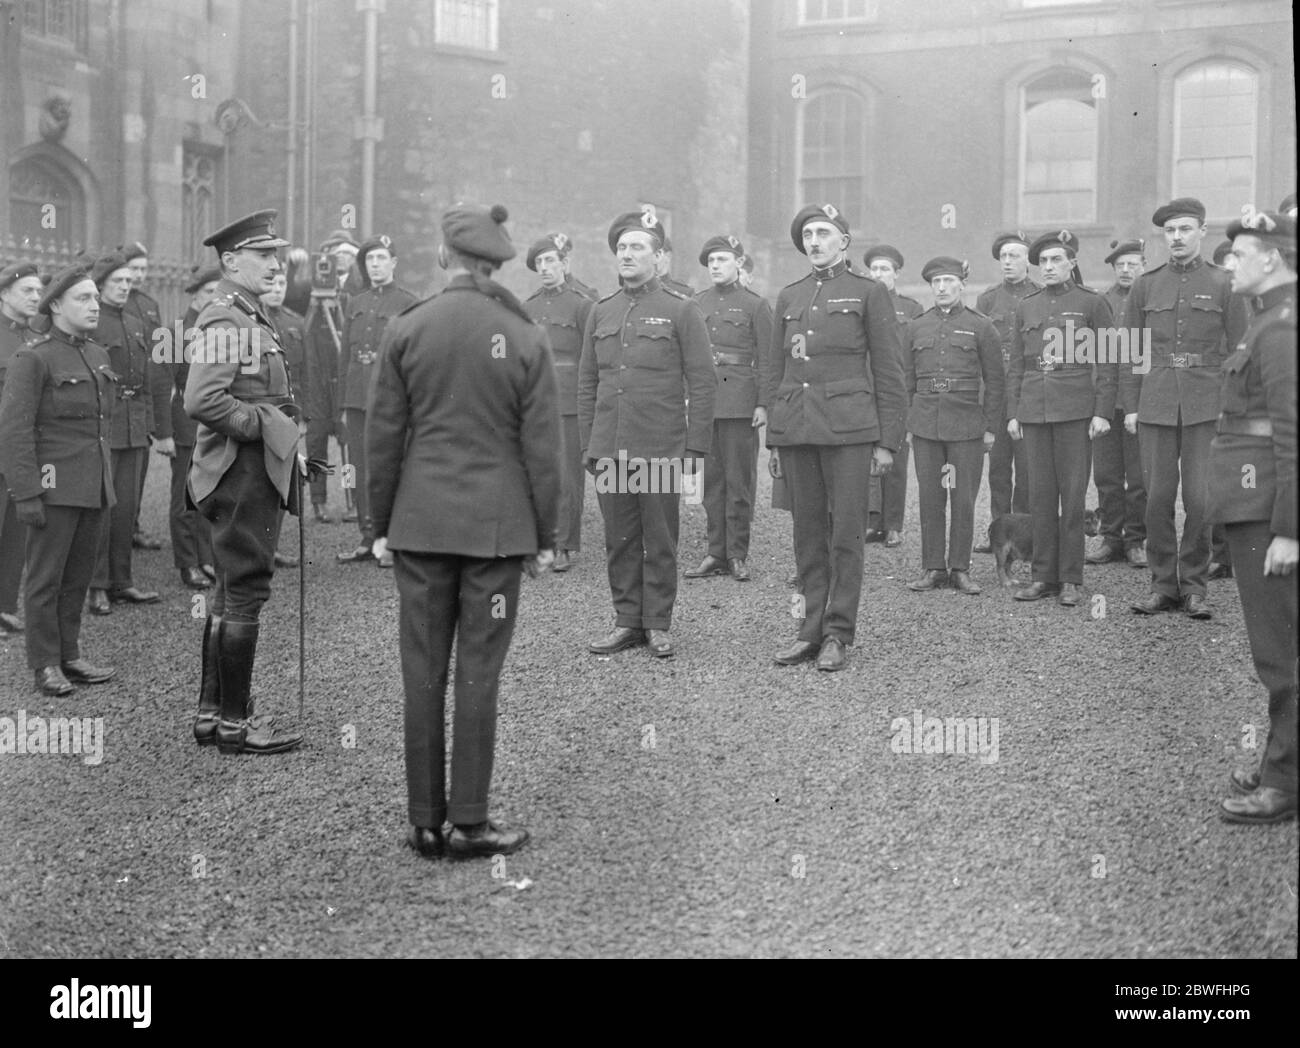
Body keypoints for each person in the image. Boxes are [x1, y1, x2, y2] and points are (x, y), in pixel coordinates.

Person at [367, 202, 560, 859]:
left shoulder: (408, 327)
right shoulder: (526, 335)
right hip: (496, 533)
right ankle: (471, 823)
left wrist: (379, 524)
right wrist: (546, 535)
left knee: (421, 673)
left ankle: (425, 822)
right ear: (498, 262)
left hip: (419, 527)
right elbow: (544, 449)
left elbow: (384, 437)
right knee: (479, 673)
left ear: (447, 257)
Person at [765, 203, 906, 670]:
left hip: (849, 430)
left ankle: (838, 633)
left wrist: (888, 442)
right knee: (807, 533)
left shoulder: (868, 293)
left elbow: (889, 371)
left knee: (846, 533)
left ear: (844, 240)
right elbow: (776, 370)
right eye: (808, 234)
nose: (815, 241)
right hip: (799, 430)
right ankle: (809, 629)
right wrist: (775, 437)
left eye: (824, 233)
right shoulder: (790, 296)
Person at [184, 209, 303, 755]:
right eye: (263, 254)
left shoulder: (250, 314)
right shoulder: (226, 318)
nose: (275, 263)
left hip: (250, 468)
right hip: (241, 473)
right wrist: (266, 425)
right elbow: (202, 400)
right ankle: (236, 724)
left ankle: (212, 716)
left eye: (276, 254)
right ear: (231, 261)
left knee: (229, 591)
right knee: (246, 592)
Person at [578, 211, 716, 658]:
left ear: (659, 258)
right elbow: (587, 383)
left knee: (658, 538)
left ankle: (657, 623)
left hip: (657, 448)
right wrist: (589, 445)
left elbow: (703, 381)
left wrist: (694, 447)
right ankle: (627, 621)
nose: (628, 254)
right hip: (610, 449)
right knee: (618, 539)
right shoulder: (602, 311)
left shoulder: (681, 309)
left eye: (638, 247)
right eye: (622, 247)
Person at [1121, 198, 1248, 619]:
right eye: (1170, 231)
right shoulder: (1145, 284)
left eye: (1185, 229)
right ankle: (1162, 586)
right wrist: (1131, 405)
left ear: (1202, 232)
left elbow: (1239, 352)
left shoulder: (1225, 283)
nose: (1177, 237)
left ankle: (1194, 586)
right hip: (1156, 402)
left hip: (1206, 405)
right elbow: (1131, 352)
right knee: (1156, 499)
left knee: (1199, 499)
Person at [1209, 209, 1296, 825]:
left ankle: (1285, 782)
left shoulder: (1281, 330)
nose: (1230, 263)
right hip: (1252, 505)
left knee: (1280, 654)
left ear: (1271, 256)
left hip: (1269, 513)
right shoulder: (1264, 322)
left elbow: (1293, 434)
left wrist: (1291, 528)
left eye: (1240, 252)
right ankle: (1280, 761)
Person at [0, 264, 117, 696]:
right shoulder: (33, 358)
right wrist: (26, 492)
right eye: (83, 299)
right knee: (44, 579)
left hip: (93, 487)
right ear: (55, 306)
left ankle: (70, 653)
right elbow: (14, 431)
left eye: (95, 298)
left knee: (77, 577)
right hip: (53, 490)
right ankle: (45, 663)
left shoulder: (98, 355)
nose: (94, 305)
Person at [1006, 231, 1117, 607]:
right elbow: (1017, 365)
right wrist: (1014, 413)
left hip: (1075, 409)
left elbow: (1107, 360)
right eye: (1045, 262)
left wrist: (1102, 411)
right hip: (1035, 411)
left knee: (1071, 498)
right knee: (1039, 497)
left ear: (1072, 263)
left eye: (1057, 260)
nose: (1050, 267)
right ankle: (1043, 576)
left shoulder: (1092, 303)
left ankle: (1070, 578)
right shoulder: (1027, 305)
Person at [902, 256, 1004, 594]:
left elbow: (995, 380)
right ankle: (933, 568)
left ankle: (960, 568)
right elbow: (906, 379)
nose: (942, 288)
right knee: (931, 499)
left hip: (965, 426)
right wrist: (907, 423)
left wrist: (989, 427)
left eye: (949, 282)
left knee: (962, 499)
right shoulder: (916, 326)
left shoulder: (981, 326)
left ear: (962, 284)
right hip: (927, 425)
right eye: (936, 283)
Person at [685, 234, 772, 582]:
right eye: (711, 261)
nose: (716, 266)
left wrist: (764, 403)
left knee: (739, 482)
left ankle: (737, 554)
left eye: (723, 259)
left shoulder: (755, 305)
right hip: (705, 403)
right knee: (711, 483)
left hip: (739, 402)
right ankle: (714, 552)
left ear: (739, 263)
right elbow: (686, 356)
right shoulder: (695, 304)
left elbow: (767, 359)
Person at [86, 253, 167, 614]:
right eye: (116, 282)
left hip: (134, 426)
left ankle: (123, 581)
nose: (123, 286)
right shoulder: (92, 322)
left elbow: (147, 380)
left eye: (126, 281)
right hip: (105, 423)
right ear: (101, 286)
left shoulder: (136, 322)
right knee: (103, 507)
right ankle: (97, 585)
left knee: (127, 509)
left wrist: (149, 424)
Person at [336, 235, 416, 567]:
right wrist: (341, 406)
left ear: (394, 263)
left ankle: (393, 541)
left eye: (382, 258)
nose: (376, 265)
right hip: (357, 400)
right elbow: (344, 359)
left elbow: (414, 360)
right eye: (370, 260)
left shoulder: (408, 303)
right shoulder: (355, 303)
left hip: (390, 402)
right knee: (361, 468)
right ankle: (368, 537)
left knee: (392, 469)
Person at [524, 232, 593, 572]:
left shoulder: (582, 304)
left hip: (569, 401)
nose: (545, 267)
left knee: (568, 477)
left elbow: (591, 359)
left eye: (551, 260)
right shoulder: (529, 306)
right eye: (539, 262)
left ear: (565, 264)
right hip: (538, 399)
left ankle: (565, 544)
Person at [974, 231, 1040, 552]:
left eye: (1015, 255)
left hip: (1028, 393)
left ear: (1028, 259)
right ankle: (999, 534)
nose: (1008, 262)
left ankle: (1025, 535)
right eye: (1003, 257)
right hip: (997, 394)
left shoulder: (1040, 296)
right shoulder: (987, 300)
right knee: (998, 470)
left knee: (1027, 470)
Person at [1087, 238, 1148, 568]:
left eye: (1132, 264)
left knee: (1139, 479)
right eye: (1120, 265)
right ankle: (1111, 539)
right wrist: (1100, 410)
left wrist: (1137, 405)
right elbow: (1097, 358)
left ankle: (1136, 540)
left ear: (1144, 265)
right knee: (1107, 476)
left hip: (1140, 403)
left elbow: (1144, 358)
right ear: (1113, 268)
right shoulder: (1101, 302)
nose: (1126, 270)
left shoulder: (1151, 298)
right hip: (1106, 404)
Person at [862, 244, 923, 547]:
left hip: (898, 391)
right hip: (866, 389)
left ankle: (894, 524)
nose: (878, 274)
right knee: (867, 456)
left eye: (885, 269)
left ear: (897, 273)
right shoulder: (862, 304)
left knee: (896, 458)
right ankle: (873, 522)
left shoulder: (911, 310)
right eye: (874, 269)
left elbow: (917, 355)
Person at [302, 231, 358, 524]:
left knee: (349, 442)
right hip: (317, 378)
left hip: (343, 377)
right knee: (316, 442)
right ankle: (318, 500)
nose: (340, 259)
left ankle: (352, 500)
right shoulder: (310, 286)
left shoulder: (357, 289)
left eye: (346, 253)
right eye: (334, 253)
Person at [170, 265, 220, 590]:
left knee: (208, 493)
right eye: (208, 293)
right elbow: (167, 384)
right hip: (187, 424)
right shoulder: (176, 332)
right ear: (195, 295)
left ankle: (206, 557)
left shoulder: (219, 329)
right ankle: (187, 563)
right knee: (184, 497)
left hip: (213, 424)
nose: (215, 299)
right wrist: (164, 431)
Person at [0, 261, 42, 634]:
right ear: (4, 294)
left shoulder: (33, 338)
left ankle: (4, 605)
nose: (35, 297)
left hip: (23, 451)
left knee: (15, 529)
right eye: (26, 291)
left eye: (37, 291)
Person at [120, 241, 168, 552]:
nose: (138, 275)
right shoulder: (115, 300)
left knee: (140, 469)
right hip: (125, 394)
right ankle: (121, 531)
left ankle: (133, 525)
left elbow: (159, 353)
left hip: (147, 388)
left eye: (142, 269)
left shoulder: (151, 304)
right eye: (132, 269)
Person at [262, 270, 310, 570]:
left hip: (288, 414)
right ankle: (256, 550)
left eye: (282, 284)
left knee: (283, 482)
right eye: (272, 284)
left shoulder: (295, 323)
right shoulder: (250, 322)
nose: (278, 289)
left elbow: (304, 375)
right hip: (261, 413)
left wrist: (302, 416)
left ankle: (271, 546)